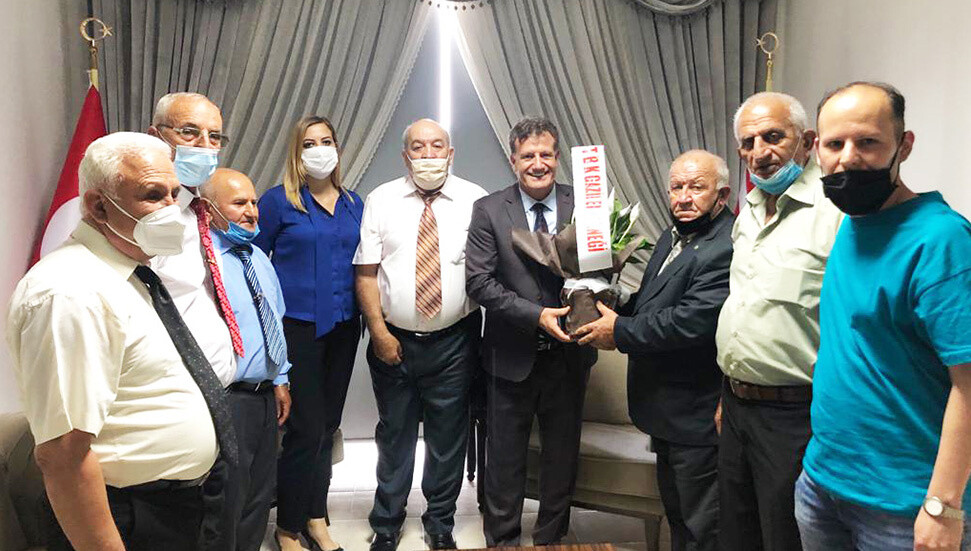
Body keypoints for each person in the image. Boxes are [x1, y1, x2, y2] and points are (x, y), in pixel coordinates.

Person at [6, 132, 223, 550]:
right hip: (123, 516)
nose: (171, 209)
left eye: (174, 194)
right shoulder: (71, 293)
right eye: (152, 195)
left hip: (168, 509)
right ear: (99, 206)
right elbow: (63, 456)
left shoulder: (127, 272)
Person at [796, 82, 971, 551]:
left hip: (904, 506)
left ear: (903, 146)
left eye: (868, 142)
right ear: (817, 149)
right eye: (835, 144)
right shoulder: (854, 224)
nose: (848, 159)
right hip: (822, 484)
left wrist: (943, 506)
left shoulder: (942, 241)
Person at [574, 150, 734, 551]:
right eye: (676, 187)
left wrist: (619, 331)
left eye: (696, 187)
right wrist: (614, 300)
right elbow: (653, 302)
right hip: (664, 412)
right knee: (679, 517)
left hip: (696, 414)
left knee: (703, 527)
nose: (684, 197)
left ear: (722, 194)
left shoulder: (727, 245)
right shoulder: (671, 236)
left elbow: (690, 321)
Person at [714, 91, 843, 551]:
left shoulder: (835, 213)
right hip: (736, 405)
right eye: (748, 143)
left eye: (773, 137)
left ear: (806, 141)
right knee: (737, 533)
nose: (760, 152)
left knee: (784, 536)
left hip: (796, 414)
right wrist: (728, 393)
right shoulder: (748, 211)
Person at [353, 118, 486, 551]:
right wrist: (378, 333)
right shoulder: (381, 199)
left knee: (448, 438)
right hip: (394, 340)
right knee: (395, 436)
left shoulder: (475, 199)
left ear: (451, 153)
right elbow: (366, 273)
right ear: (405, 155)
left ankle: (440, 522)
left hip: (455, 340)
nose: (428, 154)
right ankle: (386, 523)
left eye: (437, 146)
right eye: (418, 146)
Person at [466, 117, 598, 546]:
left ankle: (550, 540)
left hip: (570, 355)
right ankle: (503, 541)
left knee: (562, 457)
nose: (538, 164)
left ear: (557, 157)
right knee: (504, 460)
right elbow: (479, 282)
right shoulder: (489, 209)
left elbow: (602, 269)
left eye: (546, 154)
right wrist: (536, 315)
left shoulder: (587, 204)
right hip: (510, 356)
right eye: (528, 156)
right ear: (513, 160)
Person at [254, 115, 363, 551]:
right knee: (306, 429)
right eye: (309, 143)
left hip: (344, 327)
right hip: (297, 328)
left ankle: (316, 517)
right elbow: (252, 264)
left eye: (326, 141)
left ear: (338, 148)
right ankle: (287, 527)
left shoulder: (354, 203)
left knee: (328, 427)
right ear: (296, 153)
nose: (320, 149)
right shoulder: (278, 202)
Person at [201, 168, 292, 551]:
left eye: (253, 202)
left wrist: (280, 378)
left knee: (259, 495)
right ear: (209, 210)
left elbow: (275, 318)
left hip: (264, 396)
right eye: (239, 203)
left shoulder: (258, 257)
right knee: (228, 500)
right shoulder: (201, 263)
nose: (252, 212)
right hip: (227, 398)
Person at [146, 92, 237, 386]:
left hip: (210, 387)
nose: (204, 145)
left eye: (214, 137)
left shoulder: (198, 210)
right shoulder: (153, 215)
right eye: (189, 132)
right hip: (170, 385)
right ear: (155, 137)